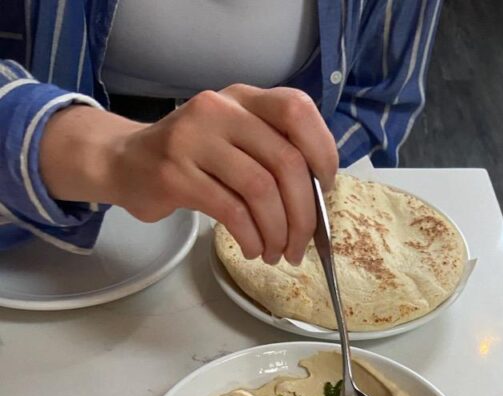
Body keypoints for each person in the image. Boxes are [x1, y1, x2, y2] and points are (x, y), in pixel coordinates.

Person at [0, 1, 443, 263]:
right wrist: (111, 153)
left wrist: (288, 191)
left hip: (268, 255)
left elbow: (376, 99)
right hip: (30, 239)